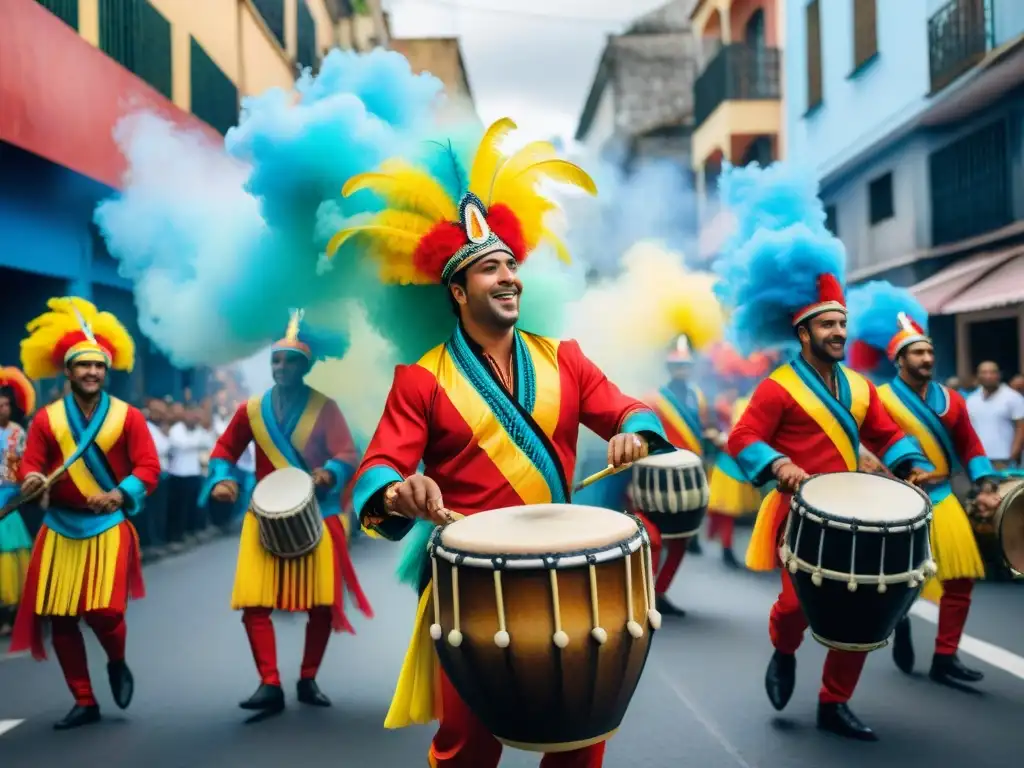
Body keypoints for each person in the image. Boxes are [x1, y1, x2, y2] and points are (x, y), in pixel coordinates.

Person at [338, 117, 673, 767]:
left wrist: (634, 429)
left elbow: (626, 407)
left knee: (580, 741)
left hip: (571, 574)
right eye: (491, 269)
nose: (510, 277)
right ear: (458, 290)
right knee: (466, 751)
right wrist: (400, 490)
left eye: (512, 265)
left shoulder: (565, 359)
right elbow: (378, 465)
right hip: (468, 582)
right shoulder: (421, 378)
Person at [715, 163, 932, 741]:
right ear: (803, 331)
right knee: (794, 610)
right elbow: (742, 440)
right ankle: (783, 651)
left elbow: (886, 433)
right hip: (800, 513)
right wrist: (779, 466)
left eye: (842, 324)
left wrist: (909, 464)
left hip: (860, 513)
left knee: (860, 617)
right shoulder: (778, 387)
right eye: (828, 325)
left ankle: (834, 702)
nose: (840, 332)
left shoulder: (861, 387)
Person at [201, 310, 372, 716]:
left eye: (290, 360)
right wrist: (221, 479)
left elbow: (347, 453)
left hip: (319, 512)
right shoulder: (250, 411)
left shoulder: (325, 408)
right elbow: (224, 452)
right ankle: (269, 682)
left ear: (305, 366)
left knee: (321, 605)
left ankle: (308, 677)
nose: (281, 367)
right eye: (276, 360)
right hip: (262, 516)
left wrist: (330, 473)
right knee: (254, 603)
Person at [10, 297, 160, 730]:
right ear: (68, 371)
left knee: (106, 613)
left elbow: (149, 467)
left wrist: (120, 493)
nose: (91, 372)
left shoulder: (127, 417)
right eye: (83, 365)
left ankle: (116, 660)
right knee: (61, 617)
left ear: (105, 370)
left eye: (98, 366)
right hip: (60, 525)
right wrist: (32, 479)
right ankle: (83, 698)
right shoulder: (46, 419)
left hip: (108, 524)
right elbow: (31, 463)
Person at [846, 281, 1001, 687]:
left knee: (960, 580)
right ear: (899, 359)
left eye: (930, 350)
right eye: (918, 351)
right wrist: (866, 460)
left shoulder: (953, 400)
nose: (927, 357)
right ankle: (898, 623)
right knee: (899, 580)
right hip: (896, 499)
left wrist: (985, 479)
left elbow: (970, 444)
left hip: (944, 496)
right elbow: (857, 441)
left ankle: (946, 656)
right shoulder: (879, 399)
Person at [0, 368, 35, 636]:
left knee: (13, 552)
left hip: (10, 499)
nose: (3, 409)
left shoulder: (16, 433)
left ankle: (11, 615)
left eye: (6, 405)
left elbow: (17, 469)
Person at [966, 361, 1024, 468]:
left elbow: (1021, 428)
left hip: (1004, 459)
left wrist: (1013, 455)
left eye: (992, 372)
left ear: (999, 375)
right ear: (978, 376)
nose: (988, 376)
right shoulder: (971, 399)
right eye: (984, 372)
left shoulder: (1013, 397)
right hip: (979, 459)